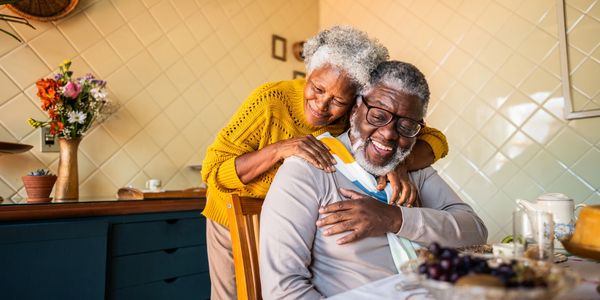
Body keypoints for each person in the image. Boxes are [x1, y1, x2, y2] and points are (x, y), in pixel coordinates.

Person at [201, 26, 448, 299]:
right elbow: (213, 171)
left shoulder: (352, 119)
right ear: (308, 73)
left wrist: (397, 163)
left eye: (338, 100)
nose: (321, 105)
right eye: (317, 89)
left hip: (294, 218)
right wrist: (279, 150)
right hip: (233, 215)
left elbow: (435, 140)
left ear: (356, 102)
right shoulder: (270, 100)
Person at [259, 60, 488, 299]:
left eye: (407, 125)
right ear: (355, 109)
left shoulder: (409, 168)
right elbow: (283, 290)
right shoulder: (307, 171)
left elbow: (475, 230)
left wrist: (392, 218)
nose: (389, 134)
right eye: (378, 116)